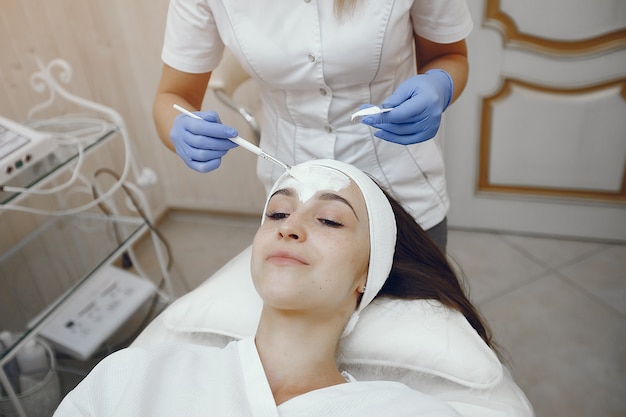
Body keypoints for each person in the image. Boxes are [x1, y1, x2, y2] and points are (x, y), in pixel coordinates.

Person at [52, 160, 494, 416]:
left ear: (368, 275)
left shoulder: (407, 412)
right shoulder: (132, 376)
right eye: (278, 214)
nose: (291, 228)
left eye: (329, 219)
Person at [152, 0, 474, 251]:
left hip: (402, 194)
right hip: (294, 204)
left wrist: (439, 86)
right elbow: (172, 96)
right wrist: (180, 129)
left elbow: (449, 56)